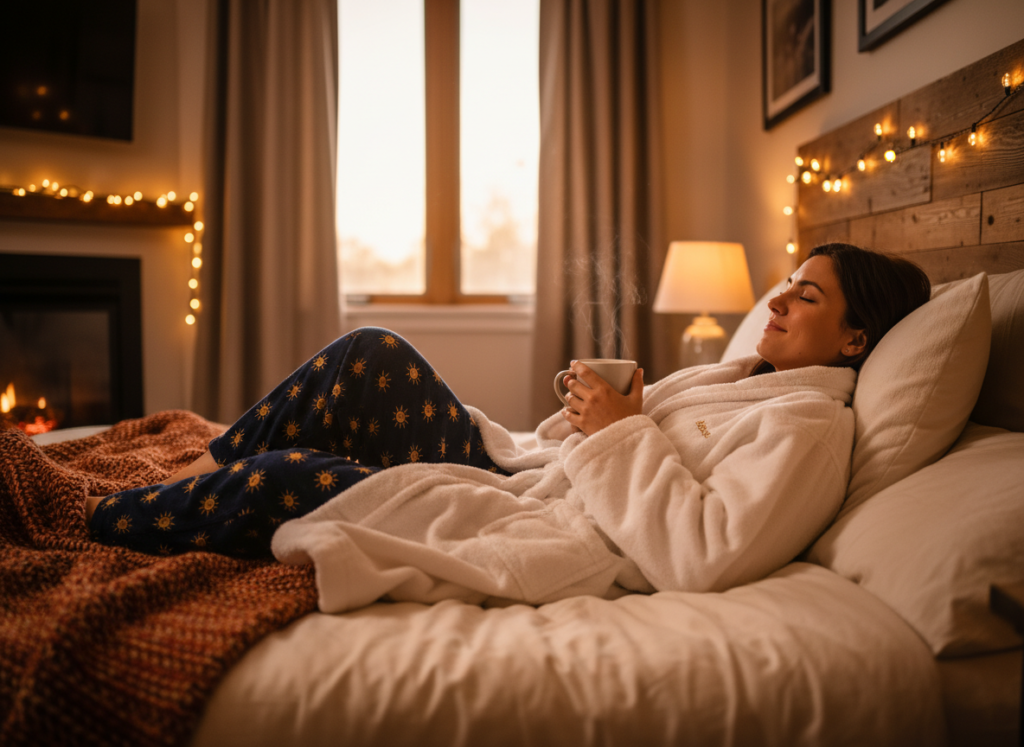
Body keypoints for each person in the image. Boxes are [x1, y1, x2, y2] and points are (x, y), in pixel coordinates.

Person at [87, 243, 930, 610]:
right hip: (528, 470)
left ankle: (90, 519)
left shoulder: (810, 428)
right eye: (783, 283)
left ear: (857, 339)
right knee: (371, 354)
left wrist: (616, 433)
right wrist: (584, 417)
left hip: (547, 522)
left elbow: (703, 553)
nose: (775, 300)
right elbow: (622, 441)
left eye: (805, 295)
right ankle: (195, 465)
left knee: (290, 480)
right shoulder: (742, 377)